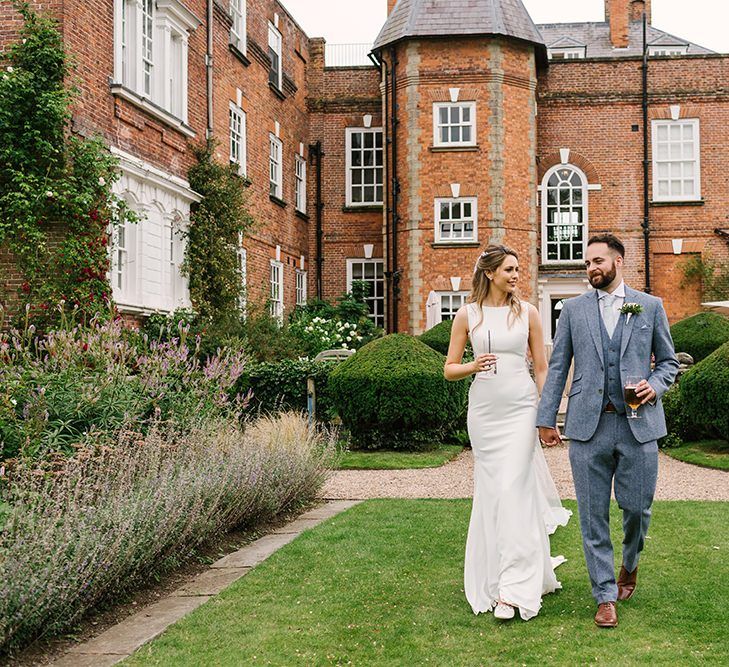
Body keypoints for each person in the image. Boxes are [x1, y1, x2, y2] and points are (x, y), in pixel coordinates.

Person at [537, 234, 679, 629]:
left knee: (637, 509)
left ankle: (629, 564)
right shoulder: (573, 310)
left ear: (618, 261)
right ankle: (604, 595)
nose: (591, 269)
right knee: (591, 515)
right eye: (587, 264)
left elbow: (668, 362)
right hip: (587, 426)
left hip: (639, 425)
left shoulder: (649, 306)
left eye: (598, 261)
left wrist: (657, 384)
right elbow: (558, 365)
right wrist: (547, 418)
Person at [445, 244, 571, 621]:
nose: (516, 275)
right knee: (494, 493)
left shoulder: (529, 312)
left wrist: (547, 414)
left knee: (514, 488)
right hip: (484, 413)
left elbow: (543, 367)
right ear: (490, 273)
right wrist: (472, 365)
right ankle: (497, 574)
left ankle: (514, 590)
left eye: (518, 269)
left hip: (519, 409)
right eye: (510, 270)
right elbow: (449, 368)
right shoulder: (468, 315)